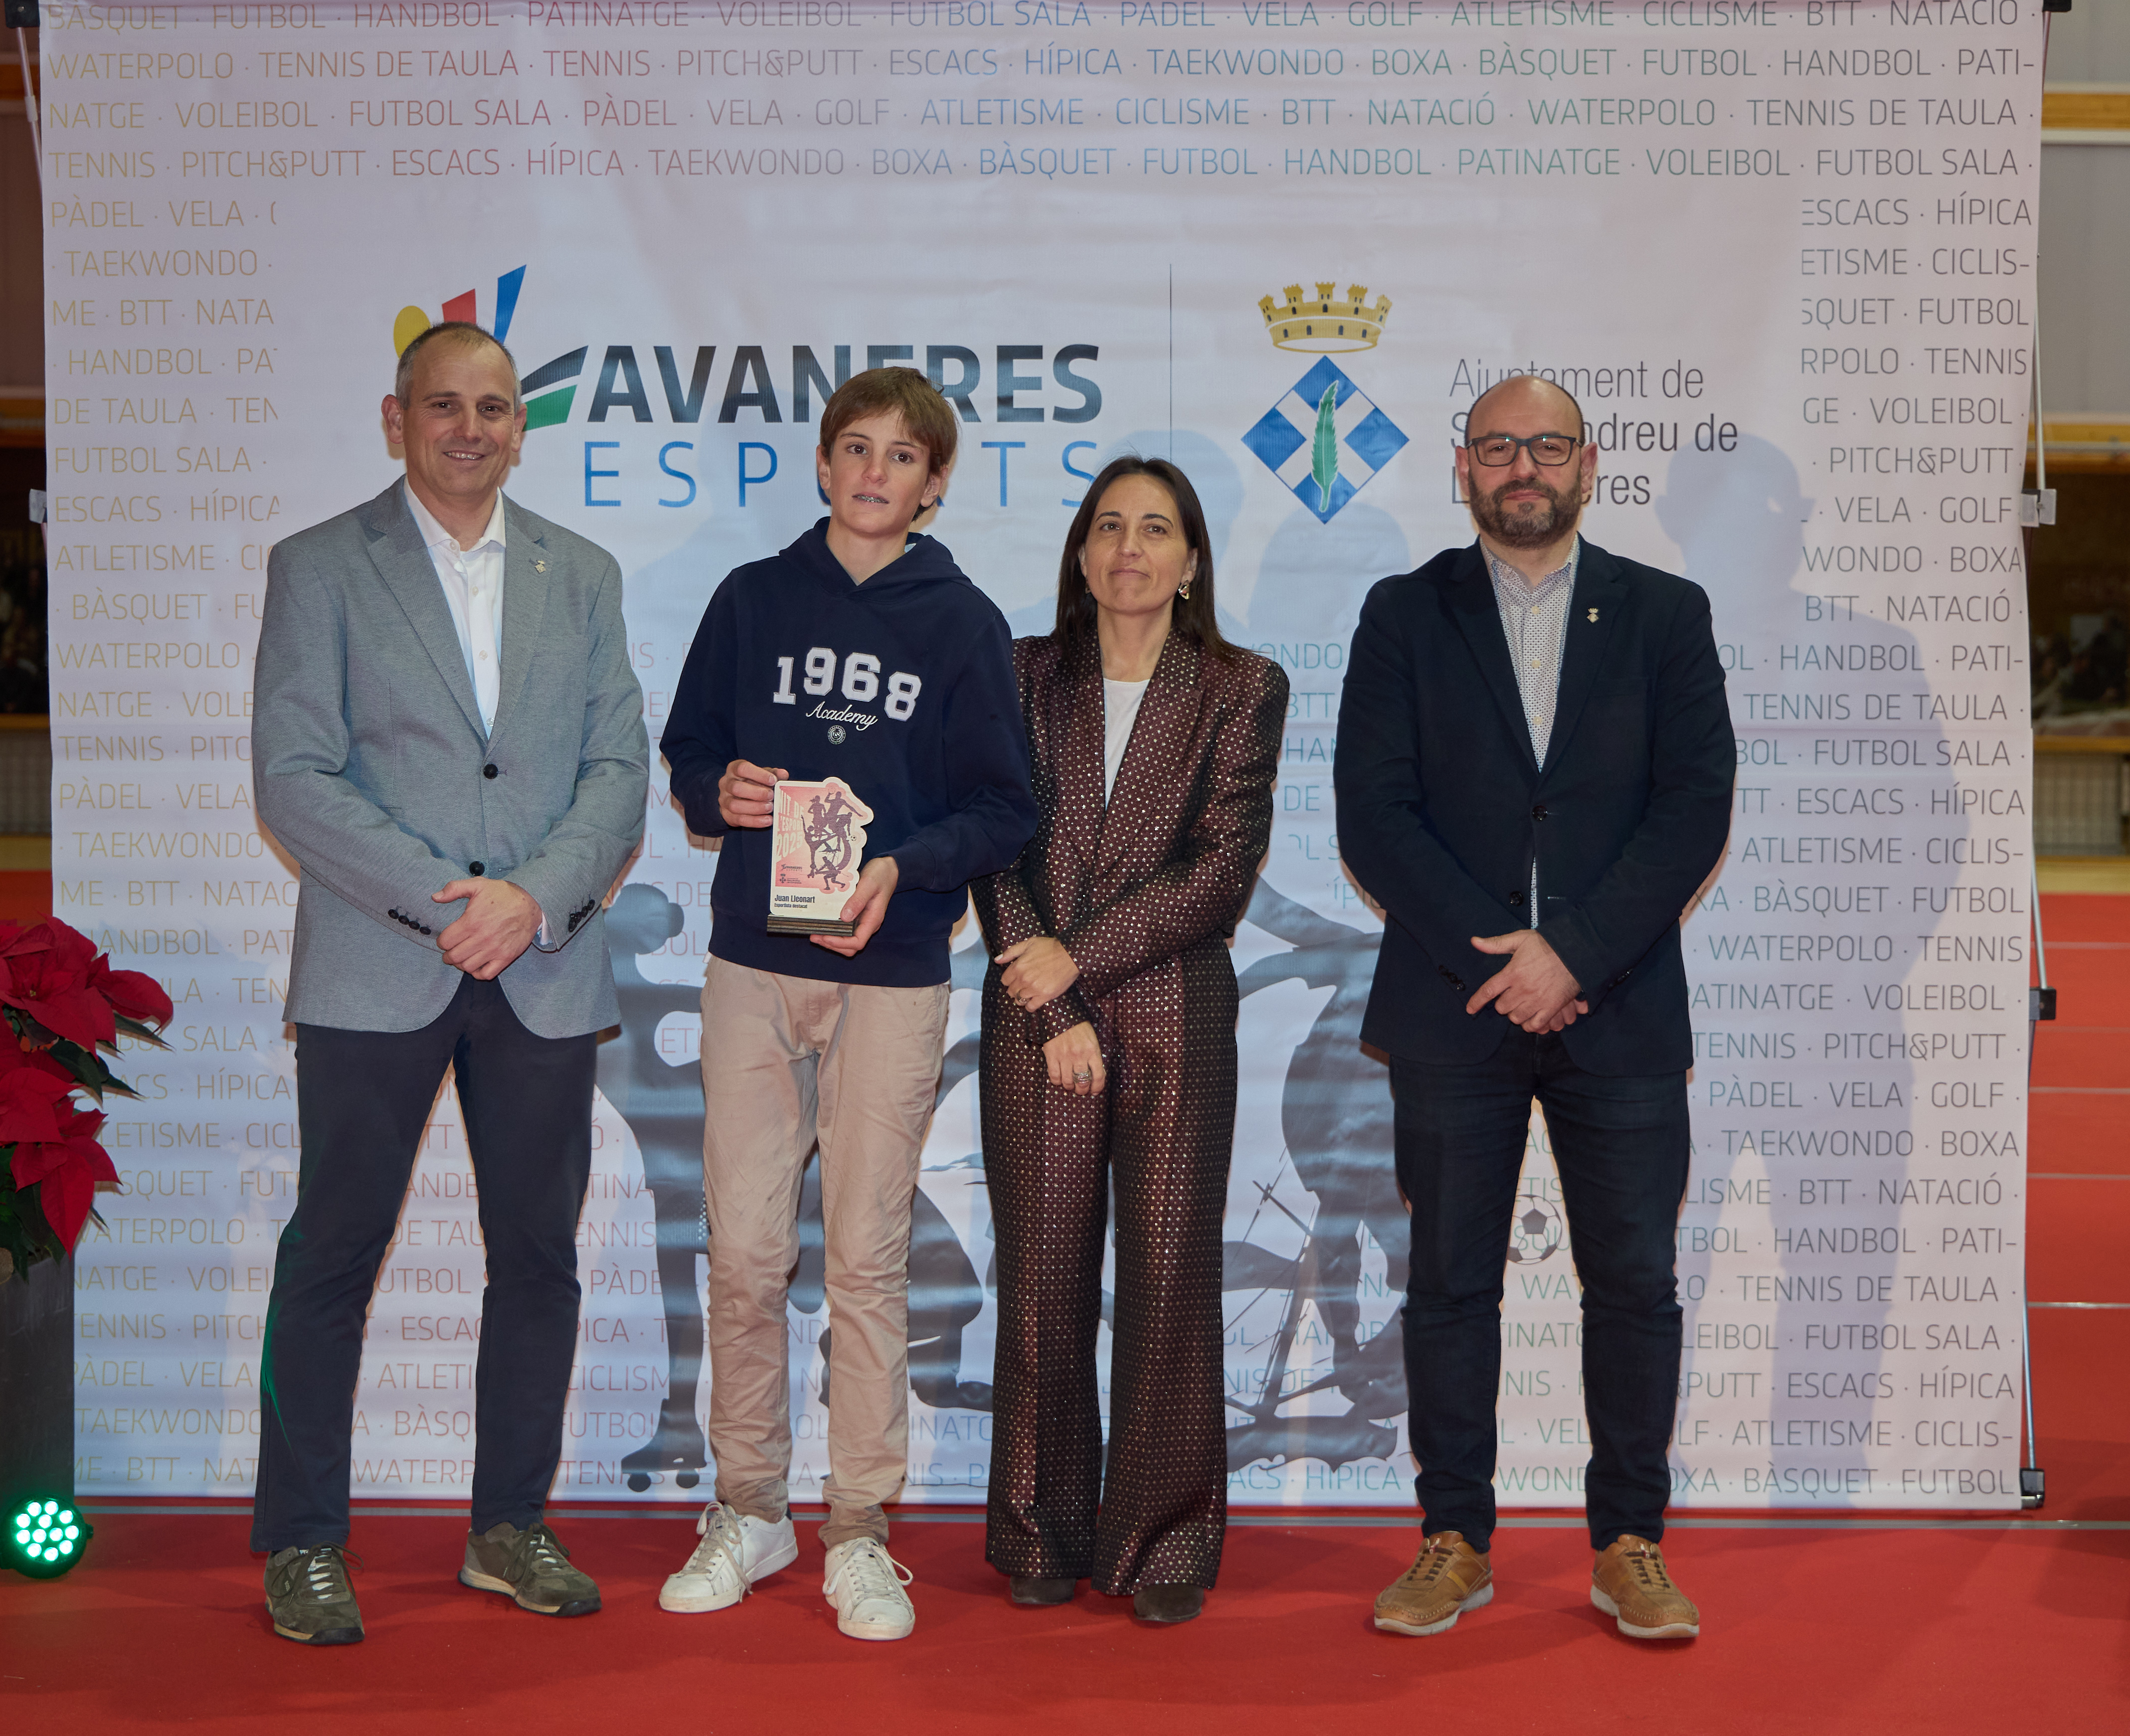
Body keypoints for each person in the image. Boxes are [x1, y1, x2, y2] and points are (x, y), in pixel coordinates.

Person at [247, 320, 648, 1645]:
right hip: (379, 964)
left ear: (520, 426)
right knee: (331, 1255)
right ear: (395, 418)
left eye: (491, 407)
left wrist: (531, 898)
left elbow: (618, 770)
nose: (468, 428)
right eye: (443, 405)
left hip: (543, 964)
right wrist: (449, 902)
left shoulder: (580, 573)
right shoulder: (318, 566)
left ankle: (508, 1526)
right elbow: (292, 777)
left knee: (537, 1260)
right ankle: (302, 1541)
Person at [1333, 374, 1735, 1642]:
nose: (1524, 469)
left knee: (1633, 1288)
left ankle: (1628, 1544)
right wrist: (1502, 964)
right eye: (1499, 447)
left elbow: (1693, 806)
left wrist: (1573, 956)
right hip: (1453, 1009)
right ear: (1461, 468)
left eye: (1546, 447)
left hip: (1620, 1008)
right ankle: (1453, 1538)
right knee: (1449, 1286)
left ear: (1587, 463)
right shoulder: (1402, 613)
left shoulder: (1665, 613)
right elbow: (1373, 814)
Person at [656, 367, 1037, 1642]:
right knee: (745, 1251)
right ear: (822, 465)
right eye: (855, 448)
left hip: (894, 966)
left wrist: (902, 867)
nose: (875, 472)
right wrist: (721, 792)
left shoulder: (963, 622)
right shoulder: (751, 597)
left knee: (867, 1259)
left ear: (935, 484)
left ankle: (860, 1529)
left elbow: (1003, 809)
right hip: (753, 965)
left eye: (902, 456)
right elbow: (690, 755)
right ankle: (748, 1507)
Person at [973, 456, 1285, 1625]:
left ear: (1190, 559)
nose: (1128, 550)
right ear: (1080, 552)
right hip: (1033, 1016)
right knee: (1041, 1279)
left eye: (1155, 529)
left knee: (1167, 1279)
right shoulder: (1020, 674)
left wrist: (1078, 960)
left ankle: (1162, 1543)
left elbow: (1221, 870)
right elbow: (992, 845)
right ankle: (1039, 1529)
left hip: (1173, 1012)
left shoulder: (1240, 686)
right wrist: (1051, 1001)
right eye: (1107, 527)